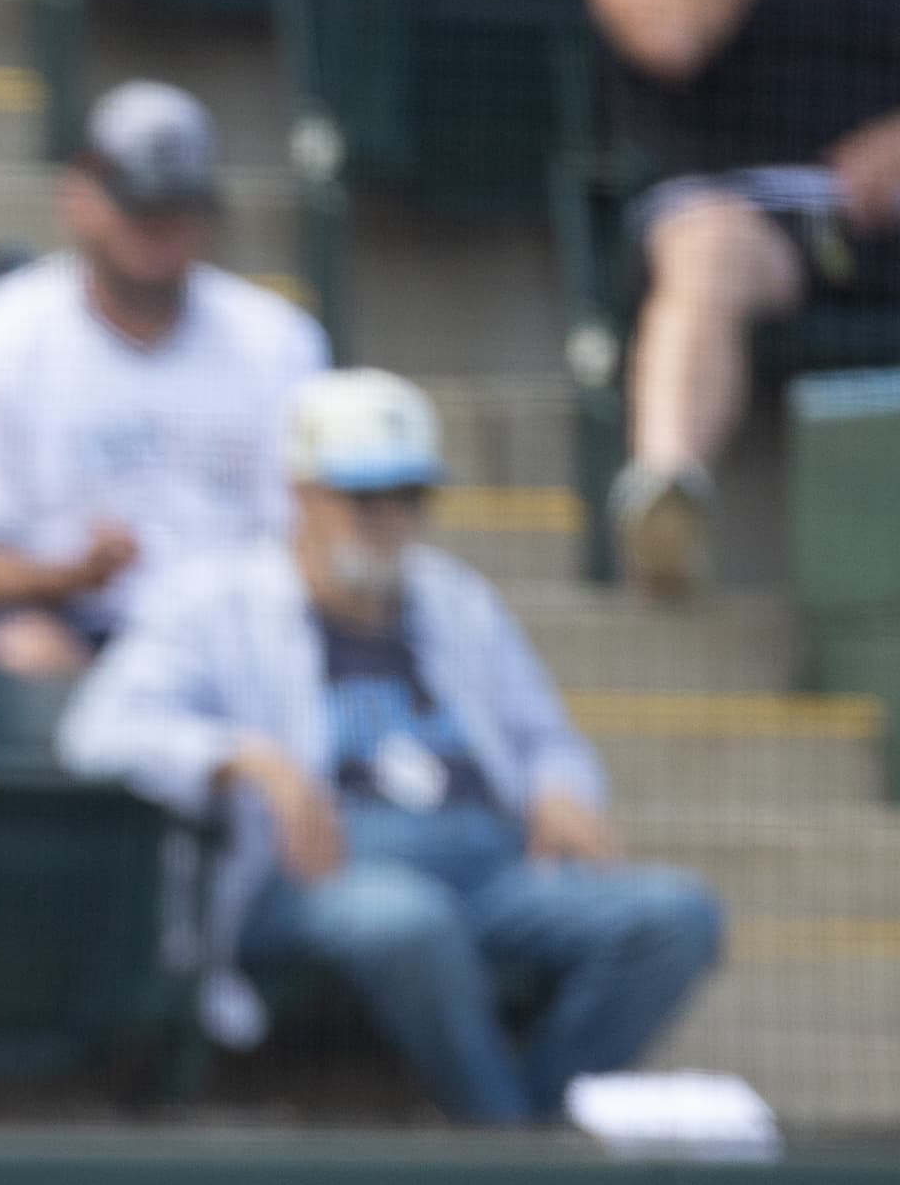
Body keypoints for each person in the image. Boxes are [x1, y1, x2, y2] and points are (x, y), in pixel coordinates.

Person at [61, 372, 723, 1123]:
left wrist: (558, 788)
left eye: (407, 495)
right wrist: (246, 756)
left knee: (675, 915)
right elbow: (99, 733)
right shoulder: (212, 600)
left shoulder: (457, 598)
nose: (388, 518)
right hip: (319, 873)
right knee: (410, 922)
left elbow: (546, 737)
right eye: (362, 496)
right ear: (301, 494)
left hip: (491, 868)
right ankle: (513, 1146)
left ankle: (525, 1121)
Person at [0, 80, 327, 682]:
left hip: (235, 643)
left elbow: (311, 534)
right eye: (138, 204)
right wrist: (71, 575)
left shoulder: (279, 340)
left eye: (178, 208)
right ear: (76, 196)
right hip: (65, 628)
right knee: (27, 649)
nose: (158, 227)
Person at [582, 0, 900, 597]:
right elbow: (668, 31)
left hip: (875, 217)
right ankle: (667, 494)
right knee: (710, 247)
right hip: (733, 212)